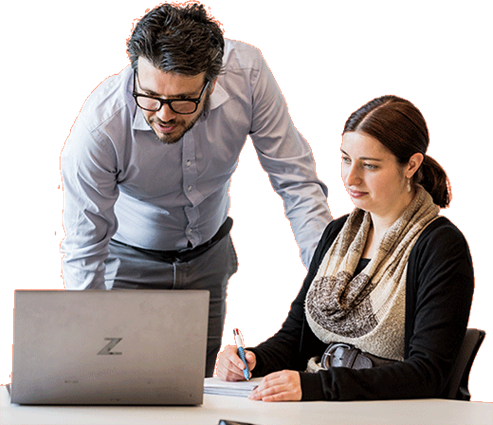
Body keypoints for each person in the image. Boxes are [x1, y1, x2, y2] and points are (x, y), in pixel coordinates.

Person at [59, 2, 331, 377]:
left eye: (183, 101)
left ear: (213, 82)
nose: (164, 114)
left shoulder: (247, 74)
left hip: (209, 257)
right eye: (150, 97)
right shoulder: (100, 129)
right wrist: (87, 347)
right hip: (127, 263)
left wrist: (328, 276)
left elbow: (295, 178)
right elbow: (84, 248)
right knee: (119, 387)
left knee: (194, 389)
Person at [216, 95, 475, 401]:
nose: (351, 178)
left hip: (391, 414)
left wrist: (316, 387)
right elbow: (298, 337)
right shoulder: (337, 233)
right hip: (330, 403)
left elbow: (427, 374)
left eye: (370, 166)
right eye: (345, 159)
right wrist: (253, 359)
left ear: (411, 165)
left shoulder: (440, 246)